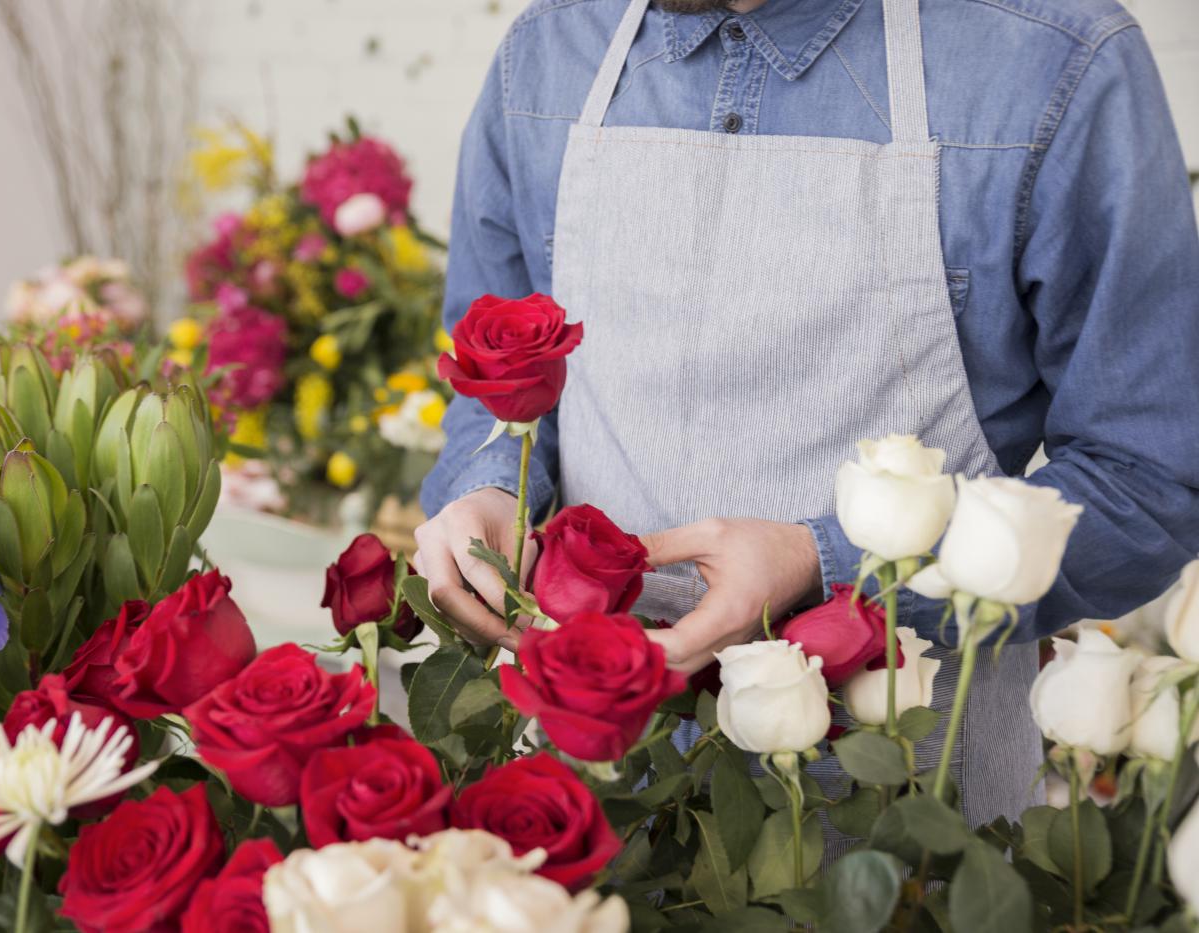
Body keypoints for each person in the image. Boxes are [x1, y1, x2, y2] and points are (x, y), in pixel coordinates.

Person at [416, 0, 1199, 828]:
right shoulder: (547, 54)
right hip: (585, 806)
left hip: (907, 821)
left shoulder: (1051, 61)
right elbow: (486, 392)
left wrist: (829, 565)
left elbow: (1150, 477)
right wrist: (494, 487)